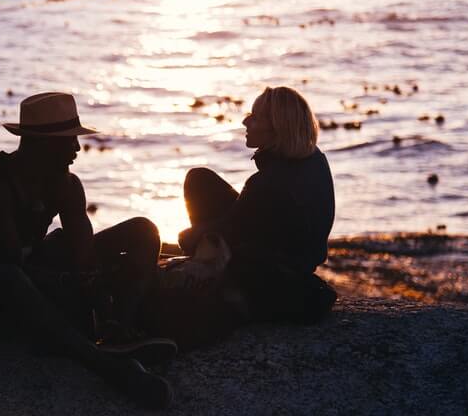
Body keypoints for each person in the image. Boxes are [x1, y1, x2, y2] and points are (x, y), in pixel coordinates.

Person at [0, 92, 175, 408]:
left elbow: (84, 254)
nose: (78, 149)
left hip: (32, 271)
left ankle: (117, 330)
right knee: (9, 277)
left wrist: (93, 284)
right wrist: (69, 284)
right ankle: (107, 365)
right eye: (69, 141)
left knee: (142, 229)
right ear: (40, 144)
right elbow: (11, 265)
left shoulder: (66, 184)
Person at [141, 86, 337, 348]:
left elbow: (229, 228)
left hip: (269, 276)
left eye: (255, 117)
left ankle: (211, 278)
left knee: (191, 240)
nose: (245, 121)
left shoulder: (266, 185)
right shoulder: (314, 159)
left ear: (276, 128)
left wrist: (187, 238)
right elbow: (244, 219)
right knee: (200, 180)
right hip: (292, 255)